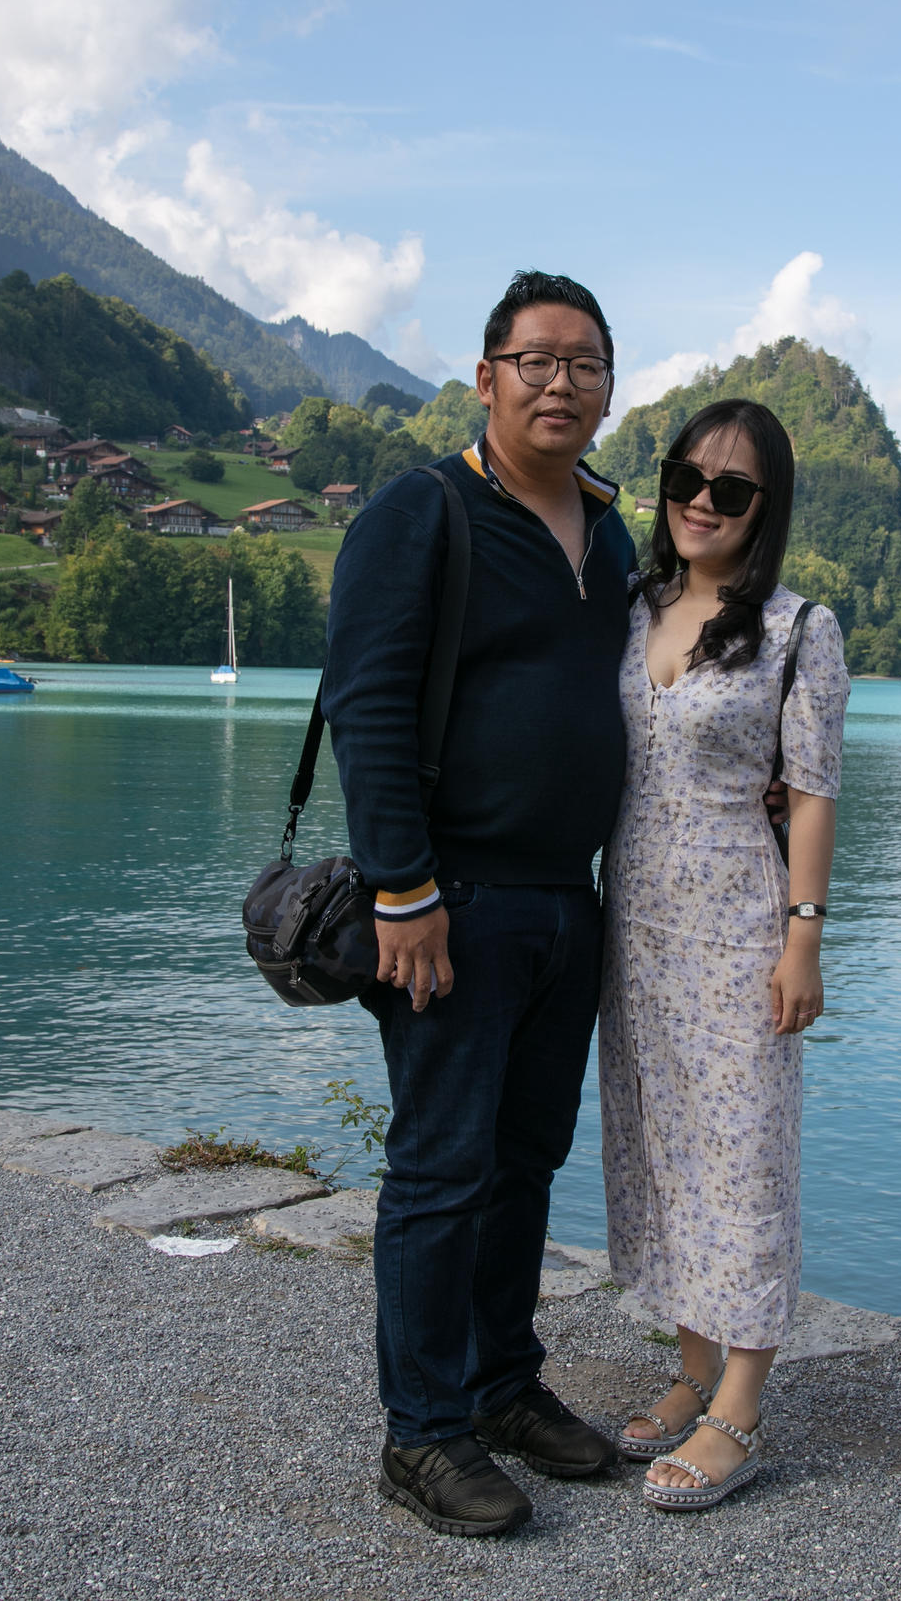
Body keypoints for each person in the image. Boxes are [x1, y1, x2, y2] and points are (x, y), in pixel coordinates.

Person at [322, 271, 639, 1536]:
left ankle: (505, 1385)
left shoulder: (609, 533)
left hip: (570, 902)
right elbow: (370, 702)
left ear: (611, 387)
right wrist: (402, 888)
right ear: (486, 376)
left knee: (523, 1162)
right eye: (537, 360)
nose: (560, 383)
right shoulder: (426, 509)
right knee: (442, 1169)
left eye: (586, 363)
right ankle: (423, 1433)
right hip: (449, 899)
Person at [599, 398, 850, 1511]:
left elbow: (810, 796)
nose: (702, 500)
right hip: (633, 928)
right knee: (664, 1145)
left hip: (741, 928)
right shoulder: (634, 605)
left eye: (732, 489)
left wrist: (804, 936)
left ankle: (741, 1402)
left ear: (766, 509)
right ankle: (692, 1361)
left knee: (742, 1156)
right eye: (686, 476)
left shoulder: (801, 630)